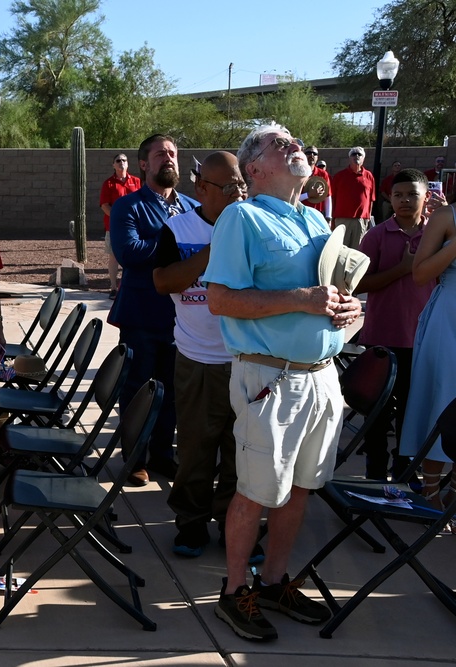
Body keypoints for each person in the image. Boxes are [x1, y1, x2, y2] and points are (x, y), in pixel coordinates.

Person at [203, 123, 361, 641]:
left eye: (292, 139)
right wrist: (301, 299)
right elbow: (222, 299)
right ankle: (233, 591)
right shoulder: (240, 218)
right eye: (278, 143)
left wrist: (348, 309)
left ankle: (273, 581)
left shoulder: (316, 220)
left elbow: (329, 296)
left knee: (301, 488)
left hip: (322, 378)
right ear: (255, 168)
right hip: (270, 378)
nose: (293, 144)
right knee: (254, 491)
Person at [152, 151, 247, 558]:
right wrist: (215, 248)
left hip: (246, 360)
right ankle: (190, 524)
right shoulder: (177, 229)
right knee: (194, 450)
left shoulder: (252, 227)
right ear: (202, 188)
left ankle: (233, 526)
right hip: (198, 360)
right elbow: (163, 282)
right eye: (229, 187)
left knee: (240, 454)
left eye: (242, 185)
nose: (239, 194)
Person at [109, 134, 198, 485]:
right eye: (161, 154)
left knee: (173, 393)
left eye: (173, 153)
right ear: (144, 164)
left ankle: (163, 455)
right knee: (138, 389)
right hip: (142, 315)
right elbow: (129, 252)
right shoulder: (128, 207)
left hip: (184, 317)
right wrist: (175, 241)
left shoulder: (192, 207)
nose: (169, 158)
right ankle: (134, 459)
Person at [355, 169, 439, 480]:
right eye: (398, 195)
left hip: (422, 339)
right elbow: (359, 284)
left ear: (426, 197)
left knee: (412, 411)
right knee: (376, 414)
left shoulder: (437, 234)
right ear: (389, 198)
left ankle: (405, 471)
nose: (404, 201)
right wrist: (404, 268)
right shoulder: (376, 236)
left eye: (412, 195)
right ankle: (375, 475)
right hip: (382, 337)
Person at [399, 195, 456, 511]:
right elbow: (420, 274)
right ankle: (431, 492)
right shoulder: (446, 217)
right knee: (443, 398)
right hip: (449, 318)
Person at [100, 153, 141, 296]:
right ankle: (113, 287)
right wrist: (119, 217)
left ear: (128, 164)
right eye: (118, 161)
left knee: (133, 256)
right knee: (114, 256)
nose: (121, 163)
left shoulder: (136, 182)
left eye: (124, 160)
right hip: (114, 227)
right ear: (113, 165)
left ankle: (128, 286)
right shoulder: (109, 183)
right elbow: (104, 205)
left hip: (134, 227)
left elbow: (142, 203)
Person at [331, 146, 376, 249]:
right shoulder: (339, 176)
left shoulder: (369, 176)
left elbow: (371, 199)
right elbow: (333, 198)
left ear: (363, 158)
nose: (356, 156)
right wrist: (332, 219)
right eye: (353, 154)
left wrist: (368, 219)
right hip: (342, 219)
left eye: (359, 154)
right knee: (340, 249)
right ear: (349, 158)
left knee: (357, 250)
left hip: (361, 220)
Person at [302, 146, 332, 221]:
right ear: (303, 155)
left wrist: (328, 217)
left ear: (317, 157)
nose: (311, 155)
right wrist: (308, 195)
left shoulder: (323, 174)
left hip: (317, 214)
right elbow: (293, 197)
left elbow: (327, 196)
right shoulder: (298, 172)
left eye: (314, 153)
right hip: (300, 212)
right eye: (308, 153)